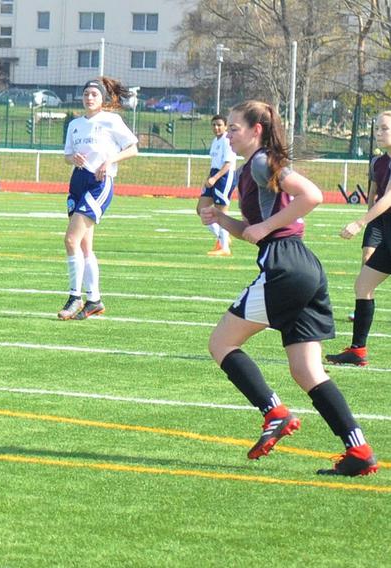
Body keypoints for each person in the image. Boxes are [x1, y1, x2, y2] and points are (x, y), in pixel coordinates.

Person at [200, 100, 378, 477]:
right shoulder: (255, 168)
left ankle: (274, 412)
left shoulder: (262, 162)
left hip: (284, 266)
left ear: (256, 130)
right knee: (306, 371)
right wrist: (220, 218)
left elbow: (311, 195)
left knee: (220, 343)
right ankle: (359, 450)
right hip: (301, 266)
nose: (228, 135)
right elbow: (254, 231)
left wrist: (263, 228)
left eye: (234, 128)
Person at [58, 77, 138, 320]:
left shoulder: (111, 120)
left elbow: (133, 148)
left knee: (71, 240)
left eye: (94, 94)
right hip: (78, 182)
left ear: (103, 98)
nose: (89, 98)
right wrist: (74, 159)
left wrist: (109, 160)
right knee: (84, 246)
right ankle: (94, 300)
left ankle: (75, 298)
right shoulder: (74, 125)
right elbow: (67, 155)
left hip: (99, 183)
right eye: (86, 94)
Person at [326, 111, 391, 366]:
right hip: (388, 239)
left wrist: (359, 222)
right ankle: (357, 350)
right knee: (363, 286)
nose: (379, 132)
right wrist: (369, 225)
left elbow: (388, 198)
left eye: (385, 128)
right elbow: (376, 197)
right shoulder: (379, 162)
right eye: (378, 128)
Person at [196, 115, 238, 256]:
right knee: (201, 209)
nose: (216, 128)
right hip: (214, 175)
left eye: (219, 125)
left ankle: (224, 247)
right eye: (214, 125)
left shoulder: (227, 141)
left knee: (221, 212)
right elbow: (214, 163)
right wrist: (208, 179)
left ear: (225, 126)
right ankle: (222, 237)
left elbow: (228, 164)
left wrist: (215, 178)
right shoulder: (215, 141)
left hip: (224, 177)